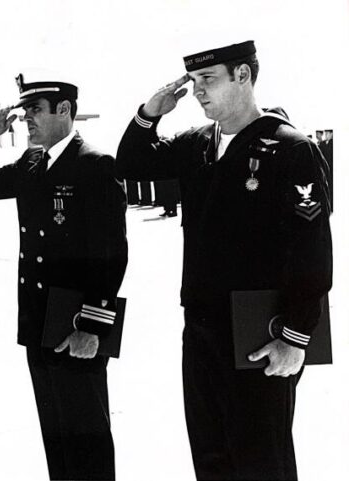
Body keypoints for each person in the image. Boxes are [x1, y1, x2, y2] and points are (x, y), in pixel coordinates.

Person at [116, 41, 332, 480]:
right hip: (201, 329)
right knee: (211, 459)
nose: (197, 91)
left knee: (261, 462)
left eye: (208, 79)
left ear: (243, 76)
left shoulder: (289, 147)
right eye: (193, 82)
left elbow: (312, 254)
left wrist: (295, 337)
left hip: (259, 332)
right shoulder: (197, 143)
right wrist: (150, 112)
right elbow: (132, 163)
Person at [0, 74, 128, 480]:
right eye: (23, 113)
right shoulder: (31, 163)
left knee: (87, 435)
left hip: (76, 323)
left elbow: (112, 256)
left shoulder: (95, 165)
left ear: (65, 111)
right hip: (39, 320)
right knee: (56, 434)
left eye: (35, 110)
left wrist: (92, 326)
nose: (26, 121)